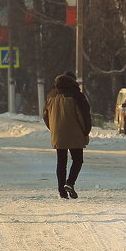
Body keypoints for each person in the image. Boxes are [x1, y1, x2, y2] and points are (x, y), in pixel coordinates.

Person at [42, 71, 91, 199]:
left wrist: (53, 128)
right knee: (78, 160)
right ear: (73, 81)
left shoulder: (51, 95)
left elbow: (46, 116)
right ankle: (70, 183)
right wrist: (86, 131)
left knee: (61, 162)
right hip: (75, 133)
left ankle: (61, 191)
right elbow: (84, 115)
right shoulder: (77, 95)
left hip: (58, 133)